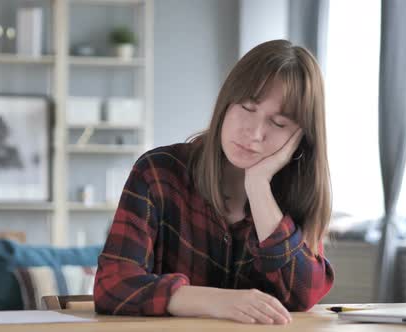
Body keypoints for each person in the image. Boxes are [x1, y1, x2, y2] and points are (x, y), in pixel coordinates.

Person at [94, 39, 334, 325]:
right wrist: (213, 300)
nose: (254, 133)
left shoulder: (297, 192)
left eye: (279, 123)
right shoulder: (158, 173)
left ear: (300, 139)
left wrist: (258, 188)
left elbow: (302, 295)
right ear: (226, 103)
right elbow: (112, 285)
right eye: (247, 107)